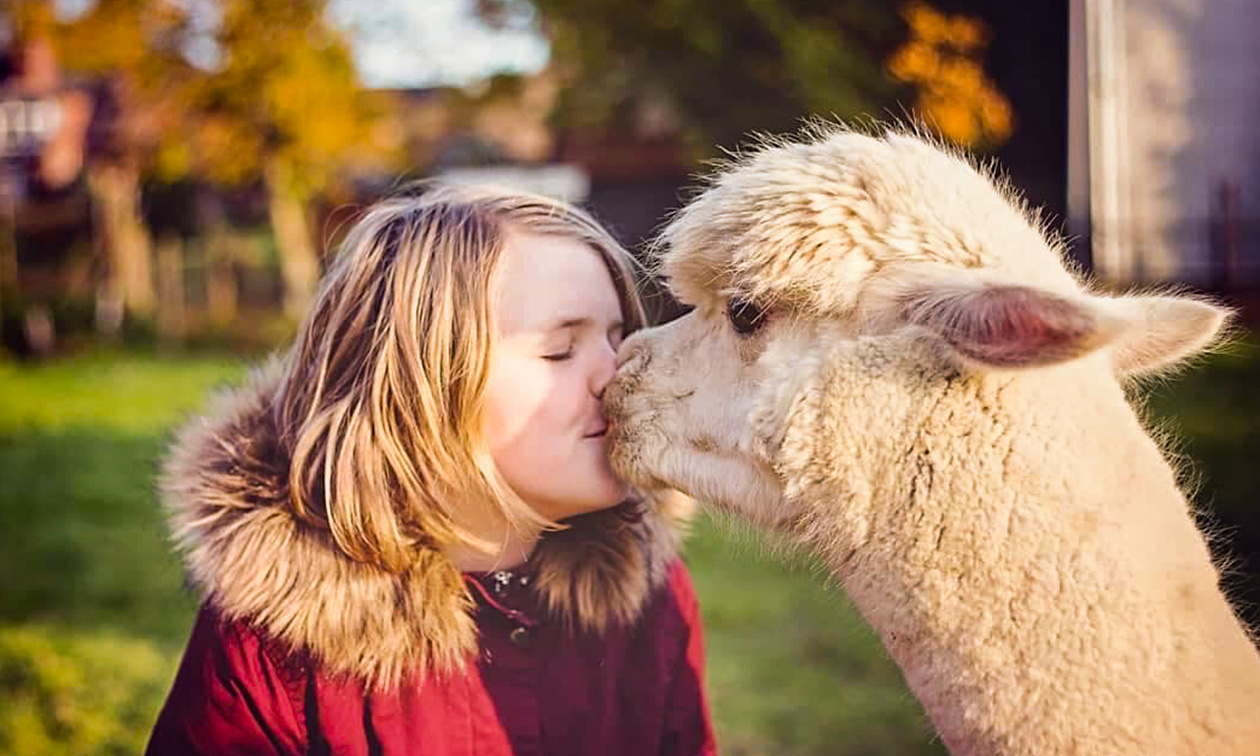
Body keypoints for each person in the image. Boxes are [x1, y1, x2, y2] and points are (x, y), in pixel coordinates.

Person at [145, 183, 716, 756]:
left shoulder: (649, 597)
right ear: (417, 390)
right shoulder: (279, 646)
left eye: (616, 338)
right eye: (560, 351)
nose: (614, 374)